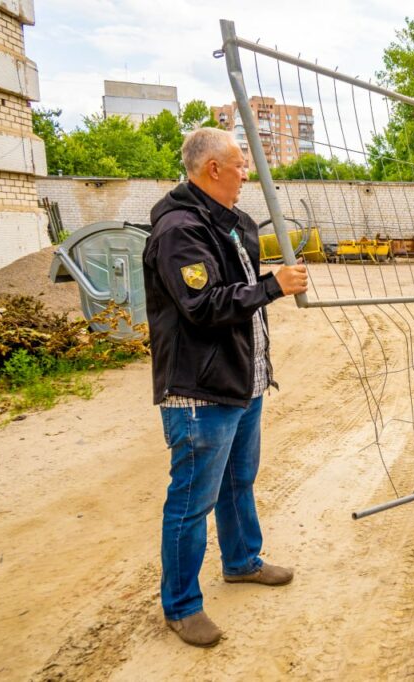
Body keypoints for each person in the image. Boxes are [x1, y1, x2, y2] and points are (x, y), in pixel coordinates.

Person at [142, 127, 309, 647]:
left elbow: (238, 294)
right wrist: (271, 287)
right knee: (192, 500)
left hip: (243, 380)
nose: (247, 174)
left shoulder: (233, 222)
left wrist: (263, 291)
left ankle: (241, 561)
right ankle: (182, 606)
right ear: (212, 168)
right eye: (240, 165)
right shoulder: (178, 230)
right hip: (201, 391)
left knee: (239, 481)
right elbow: (203, 306)